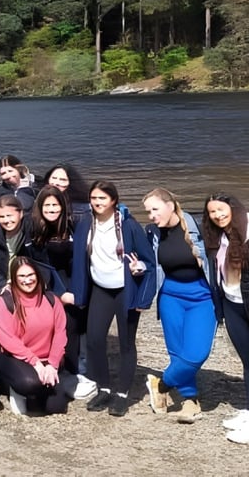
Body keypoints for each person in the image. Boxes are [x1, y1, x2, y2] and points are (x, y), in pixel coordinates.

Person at [69, 180, 155, 417]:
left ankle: (123, 395)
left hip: (124, 290)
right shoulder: (86, 223)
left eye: (102, 198)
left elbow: (149, 260)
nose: (97, 202)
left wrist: (140, 270)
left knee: (126, 343)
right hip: (100, 289)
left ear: (114, 201)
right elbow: (79, 260)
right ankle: (104, 388)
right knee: (95, 340)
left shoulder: (128, 225)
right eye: (94, 198)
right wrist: (79, 293)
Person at [143, 188, 213, 423]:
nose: (151, 215)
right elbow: (146, 262)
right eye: (147, 211)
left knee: (196, 354)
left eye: (155, 209)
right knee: (177, 353)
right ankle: (190, 401)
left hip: (202, 297)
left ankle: (161, 384)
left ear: (171, 205)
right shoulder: (152, 233)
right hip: (170, 297)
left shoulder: (199, 227)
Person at [31, 185, 94, 399]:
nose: (51, 209)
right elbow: (38, 264)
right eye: (47, 205)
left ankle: (73, 371)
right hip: (46, 284)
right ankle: (52, 368)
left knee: (72, 325)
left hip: (71, 282)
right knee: (49, 327)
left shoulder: (72, 226)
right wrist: (58, 293)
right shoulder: (34, 229)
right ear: (40, 207)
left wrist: (75, 290)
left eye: (55, 204)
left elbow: (80, 260)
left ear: (62, 206)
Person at [0, 257, 72, 415]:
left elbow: (60, 334)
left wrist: (53, 365)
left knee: (56, 407)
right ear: (14, 279)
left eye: (30, 275)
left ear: (38, 275)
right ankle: (15, 388)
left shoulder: (51, 300)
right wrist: (35, 363)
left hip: (46, 359)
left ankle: (38, 391)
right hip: (15, 357)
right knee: (30, 383)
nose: (27, 280)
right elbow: (8, 339)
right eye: (21, 276)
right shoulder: (6, 301)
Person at [201, 194, 249, 443]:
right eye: (212, 212)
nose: (217, 215)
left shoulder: (248, 228)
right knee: (246, 359)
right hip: (232, 303)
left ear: (233, 207)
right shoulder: (219, 237)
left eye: (221, 210)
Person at [0, 194, 42, 312]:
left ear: (20, 214)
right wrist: (2, 286)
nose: (6, 220)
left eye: (10, 215)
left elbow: (40, 259)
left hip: (25, 284)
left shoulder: (30, 228)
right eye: (1, 217)